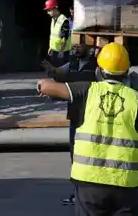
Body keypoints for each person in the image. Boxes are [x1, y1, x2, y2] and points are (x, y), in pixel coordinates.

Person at [37, 43, 138, 216]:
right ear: (126, 72)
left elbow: (48, 86)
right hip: (124, 186)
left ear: (99, 70)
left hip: (89, 184)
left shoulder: (87, 90)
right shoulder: (137, 99)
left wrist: (42, 84)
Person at [41, 42, 98, 206]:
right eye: (74, 45)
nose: (75, 48)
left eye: (80, 45)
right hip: (75, 117)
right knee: (76, 157)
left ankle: (91, 193)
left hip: (91, 118)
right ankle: (77, 193)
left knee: (91, 156)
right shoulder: (72, 64)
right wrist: (49, 69)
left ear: (90, 46)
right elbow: (59, 75)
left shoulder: (97, 65)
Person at [45, 0, 72, 67]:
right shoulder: (53, 20)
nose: (48, 12)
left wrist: (61, 51)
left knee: (62, 73)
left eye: (49, 10)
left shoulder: (64, 20)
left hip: (62, 52)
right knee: (55, 72)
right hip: (54, 51)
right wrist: (50, 47)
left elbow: (64, 38)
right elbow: (53, 36)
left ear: (55, 8)